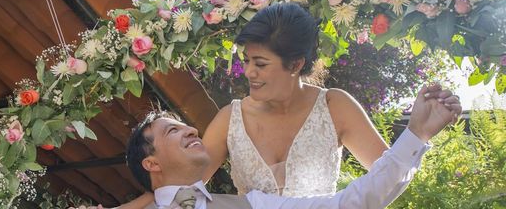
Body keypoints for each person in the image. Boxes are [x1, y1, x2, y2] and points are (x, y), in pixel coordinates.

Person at [117, 2, 458, 207]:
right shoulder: (229, 119)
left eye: (261, 63)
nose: (248, 72)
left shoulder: (334, 106)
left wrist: (418, 133)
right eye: (247, 60)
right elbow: (178, 185)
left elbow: (376, 187)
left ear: (295, 65)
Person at [126, 84, 461, 209]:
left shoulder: (253, 205)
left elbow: (351, 203)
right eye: (172, 131)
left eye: (186, 126)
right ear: (151, 163)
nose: (192, 130)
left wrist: (416, 134)